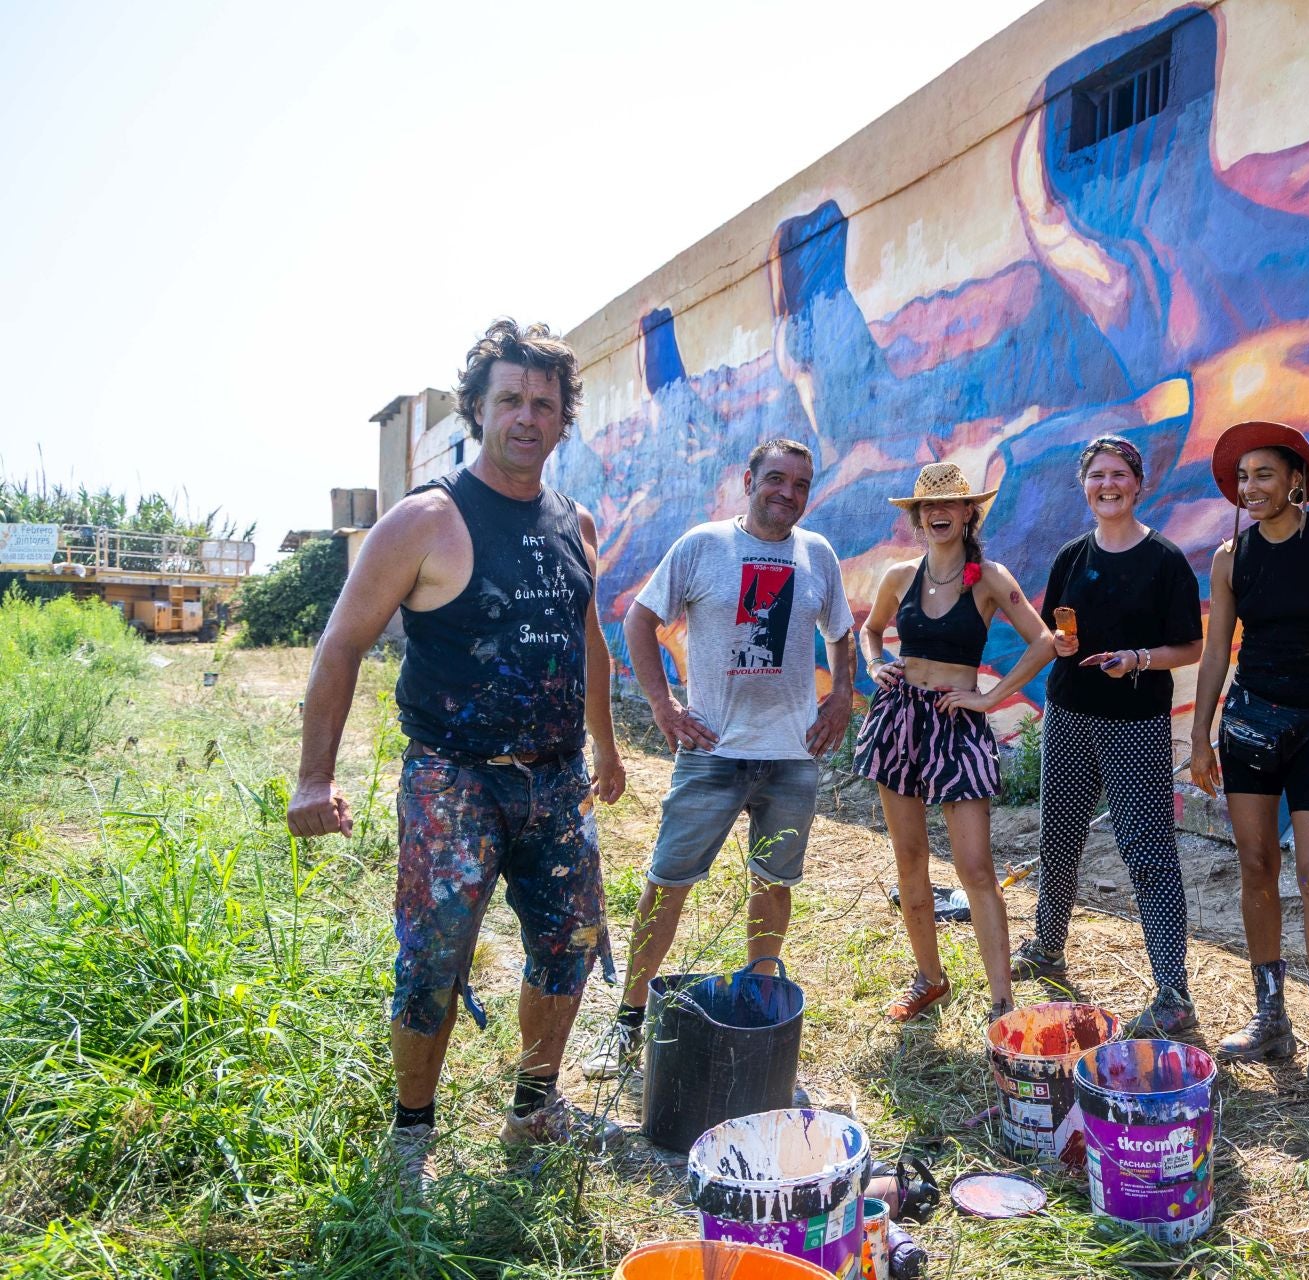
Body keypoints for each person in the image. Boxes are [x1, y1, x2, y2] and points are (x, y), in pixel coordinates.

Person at [288, 319, 629, 1191]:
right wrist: (314, 777)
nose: (527, 415)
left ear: (563, 421)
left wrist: (606, 745)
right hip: (453, 778)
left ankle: (533, 1106)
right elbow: (340, 646)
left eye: (545, 403)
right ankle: (413, 1133)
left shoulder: (575, 521)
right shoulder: (425, 520)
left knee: (571, 942)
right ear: (477, 409)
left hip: (555, 782)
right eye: (510, 398)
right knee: (435, 955)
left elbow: (587, 639)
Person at [582, 439, 854, 1081]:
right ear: (748, 480)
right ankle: (627, 1021)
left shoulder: (818, 555)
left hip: (792, 756)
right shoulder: (703, 545)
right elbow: (637, 623)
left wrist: (842, 695)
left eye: (801, 484)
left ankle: (762, 1009)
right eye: (776, 480)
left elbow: (842, 631)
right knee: (667, 881)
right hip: (712, 754)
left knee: (775, 884)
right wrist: (662, 704)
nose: (788, 493)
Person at [953, 435, 1204, 1038]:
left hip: (1136, 725)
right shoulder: (1071, 556)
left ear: (1138, 484)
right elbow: (1053, 635)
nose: (1108, 485)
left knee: (1149, 857)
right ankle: (1048, 946)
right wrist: (1061, 645)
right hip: (1068, 715)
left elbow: (1190, 646)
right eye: (1097, 475)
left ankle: (1173, 995)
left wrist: (1139, 658)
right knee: (1057, 838)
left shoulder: (1165, 559)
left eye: (1119, 474)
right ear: (1084, 485)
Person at [1189, 420, 1309, 1111]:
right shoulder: (1229, 557)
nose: (1251, 488)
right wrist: (1199, 736)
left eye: (1264, 474)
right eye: (1243, 479)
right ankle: (1272, 1018)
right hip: (1247, 726)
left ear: (1296, 479)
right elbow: (1215, 654)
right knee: (1256, 864)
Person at [855, 463, 1052, 1022]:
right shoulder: (899, 576)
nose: (937, 514)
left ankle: (1002, 1004)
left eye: (951, 505)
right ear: (917, 517)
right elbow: (871, 630)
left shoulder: (990, 577)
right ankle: (929, 978)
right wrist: (875, 664)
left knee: (976, 868)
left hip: (957, 723)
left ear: (970, 513)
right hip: (899, 720)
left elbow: (1042, 643)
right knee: (910, 859)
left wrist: (990, 699)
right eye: (926, 508)